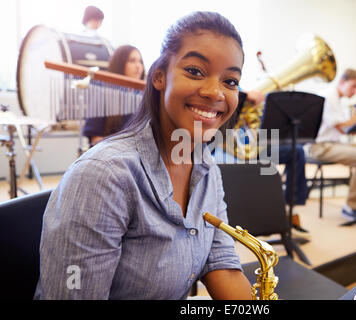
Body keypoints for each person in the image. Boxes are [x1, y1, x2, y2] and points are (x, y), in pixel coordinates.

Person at [34, 11, 252, 300]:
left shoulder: (206, 167)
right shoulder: (103, 176)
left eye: (231, 81)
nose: (216, 93)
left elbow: (220, 260)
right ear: (159, 77)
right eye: (195, 71)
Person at [309, 68, 356, 220]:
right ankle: (351, 207)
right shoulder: (328, 97)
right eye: (354, 86)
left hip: (334, 143)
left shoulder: (339, 100)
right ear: (342, 82)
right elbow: (346, 128)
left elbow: (351, 129)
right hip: (320, 147)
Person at [82, 45, 145, 147]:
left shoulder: (144, 97)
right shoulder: (103, 93)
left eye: (140, 61)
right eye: (132, 61)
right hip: (110, 157)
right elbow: (95, 139)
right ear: (120, 64)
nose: (138, 66)